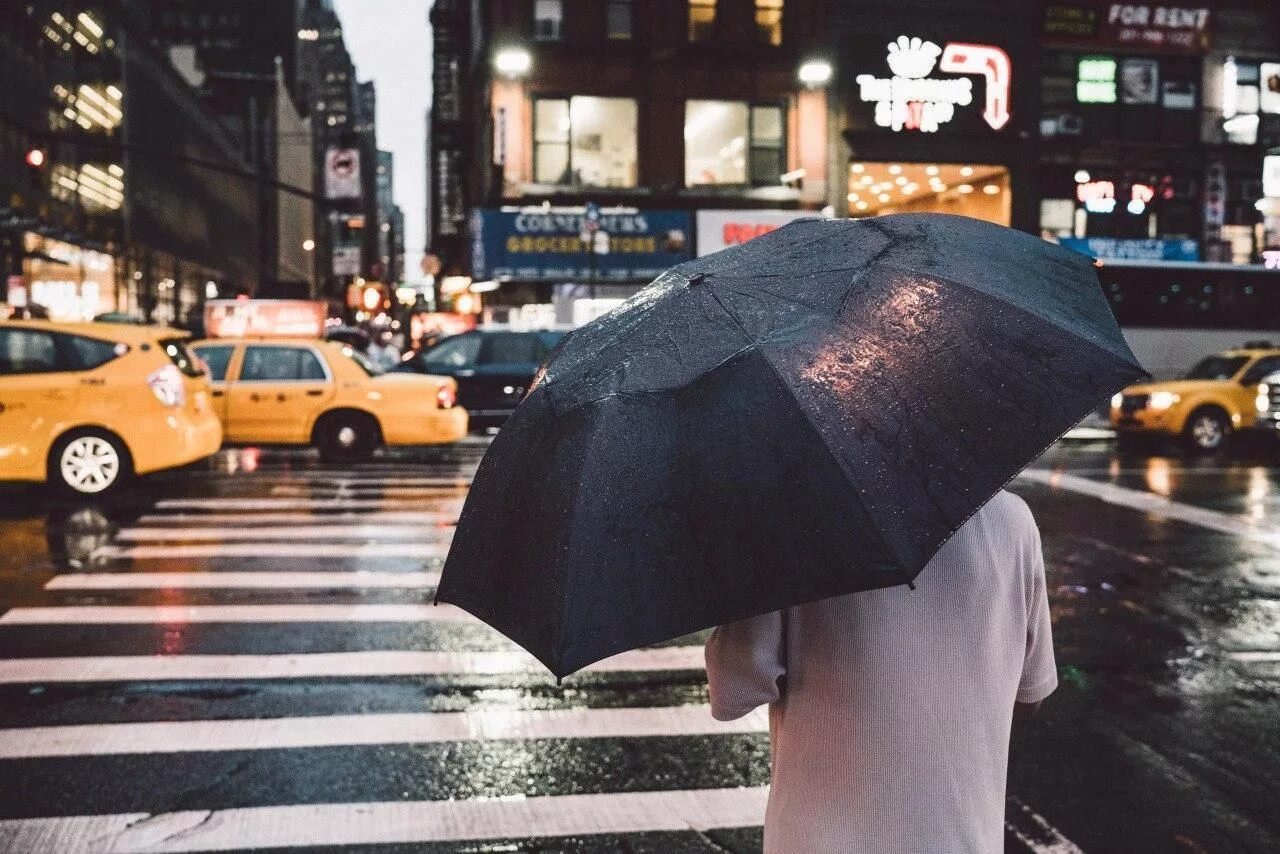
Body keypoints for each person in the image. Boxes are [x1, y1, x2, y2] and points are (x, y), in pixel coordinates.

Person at [705, 490, 1056, 853]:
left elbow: (733, 692)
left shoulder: (791, 524)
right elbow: (1033, 692)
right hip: (966, 840)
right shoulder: (1012, 520)